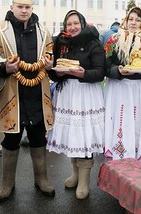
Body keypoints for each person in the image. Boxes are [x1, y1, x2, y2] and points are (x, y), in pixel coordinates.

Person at [0, 0, 55, 201]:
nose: (24, 10)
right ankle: (7, 184)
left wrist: (50, 64)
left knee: (38, 138)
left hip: (37, 94)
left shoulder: (44, 31)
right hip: (11, 94)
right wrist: (4, 69)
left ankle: (41, 179)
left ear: (32, 8)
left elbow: (50, 59)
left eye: (27, 6)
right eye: (20, 6)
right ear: (12, 7)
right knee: (10, 140)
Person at [46, 10, 105, 200]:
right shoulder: (61, 43)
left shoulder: (93, 42)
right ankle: (75, 173)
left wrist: (82, 74)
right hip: (67, 95)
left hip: (86, 93)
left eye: (75, 23)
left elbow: (100, 72)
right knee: (73, 134)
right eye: (68, 24)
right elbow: (55, 72)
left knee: (84, 135)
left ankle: (85, 180)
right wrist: (56, 73)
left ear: (82, 23)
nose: (72, 27)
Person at [103, 6, 141, 168]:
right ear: (125, 20)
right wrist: (118, 70)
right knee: (122, 123)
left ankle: (140, 161)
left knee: (139, 124)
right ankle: (120, 162)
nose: (134, 23)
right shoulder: (114, 41)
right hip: (120, 89)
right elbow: (105, 66)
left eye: (138, 20)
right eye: (131, 19)